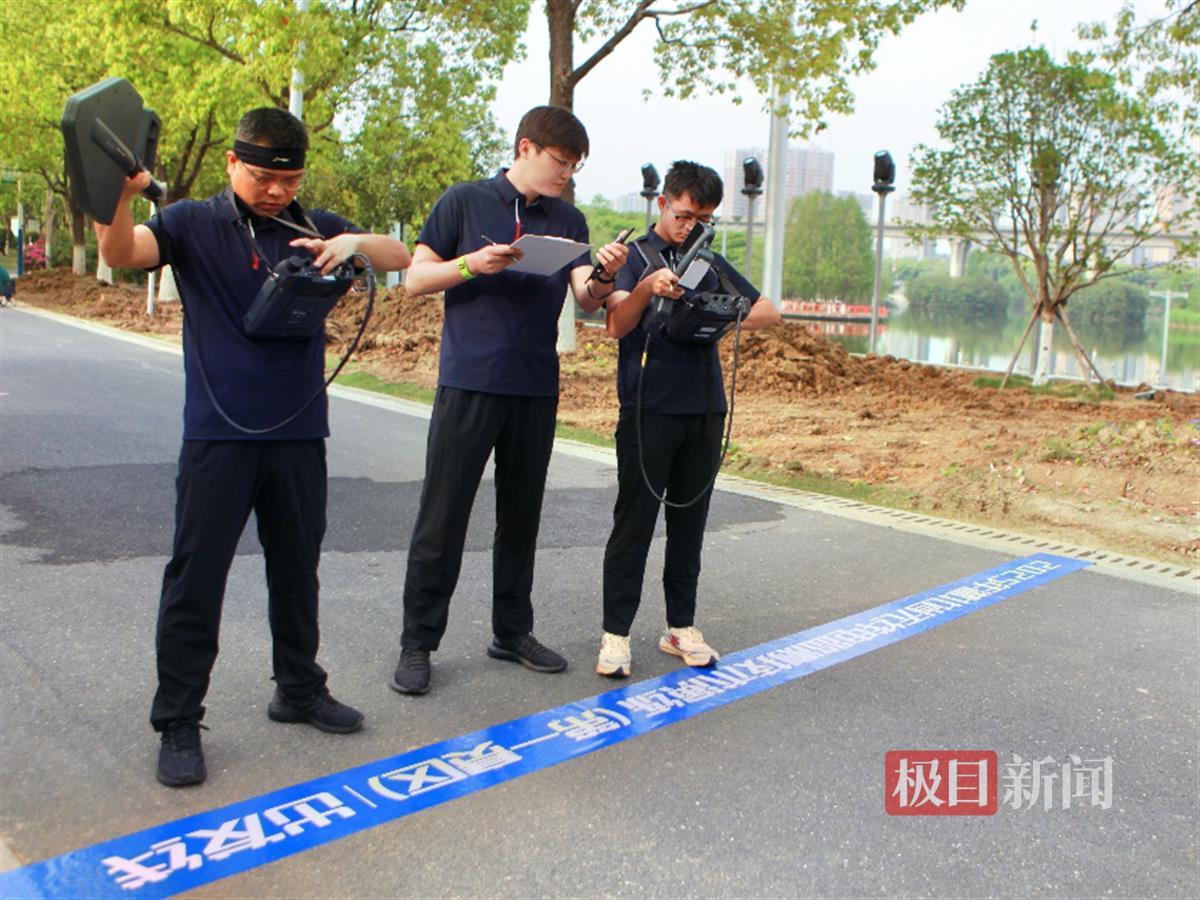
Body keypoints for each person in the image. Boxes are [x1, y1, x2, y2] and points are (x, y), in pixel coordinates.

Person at [95, 107, 412, 787]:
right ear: (233, 163)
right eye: (265, 178)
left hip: (299, 432)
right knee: (197, 577)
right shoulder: (191, 223)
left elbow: (401, 257)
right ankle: (178, 719)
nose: (276, 191)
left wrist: (351, 243)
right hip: (219, 435)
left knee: (297, 570)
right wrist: (114, 200)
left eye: (290, 180)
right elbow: (120, 254)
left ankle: (297, 688)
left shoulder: (314, 226)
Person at [391, 105, 629, 695]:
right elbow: (416, 278)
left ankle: (512, 630)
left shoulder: (568, 218)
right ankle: (418, 642)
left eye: (574, 167)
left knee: (521, 517)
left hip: (534, 385)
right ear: (526, 148)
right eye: (560, 161)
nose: (566, 175)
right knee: (443, 517)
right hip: (469, 381)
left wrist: (604, 272)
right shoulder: (464, 201)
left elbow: (586, 297)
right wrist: (472, 265)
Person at [595, 160, 781, 678]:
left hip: (704, 408)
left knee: (689, 526)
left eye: (702, 219)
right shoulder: (634, 257)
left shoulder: (709, 259)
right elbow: (615, 324)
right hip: (648, 408)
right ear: (663, 203)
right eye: (683, 215)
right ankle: (615, 635)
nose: (690, 226)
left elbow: (768, 311)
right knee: (634, 524)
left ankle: (681, 626)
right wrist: (648, 289)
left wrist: (711, 306)